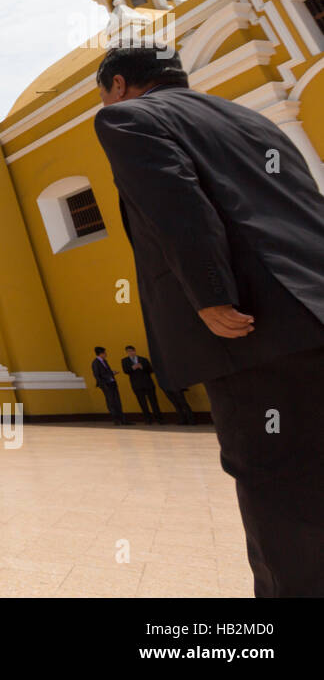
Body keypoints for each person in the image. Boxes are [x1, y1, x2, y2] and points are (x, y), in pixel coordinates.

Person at [94, 40, 324, 596]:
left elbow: (175, 200)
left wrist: (211, 295)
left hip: (255, 331)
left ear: (119, 85)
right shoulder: (254, 121)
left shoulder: (127, 118)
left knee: (277, 482)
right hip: (315, 307)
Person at [121, 345, 163, 423]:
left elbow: (151, 370)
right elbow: (125, 371)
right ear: (127, 353)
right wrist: (132, 368)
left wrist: (142, 367)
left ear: (135, 351)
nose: (130, 353)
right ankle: (148, 419)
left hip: (148, 383)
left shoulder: (143, 359)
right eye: (128, 352)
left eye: (131, 351)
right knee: (142, 403)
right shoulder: (125, 361)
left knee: (153, 402)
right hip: (136, 385)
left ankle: (159, 419)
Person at [90, 346, 129, 424]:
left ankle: (122, 419)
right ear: (101, 353)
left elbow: (106, 372)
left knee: (117, 401)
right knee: (111, 402)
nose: (106, 354)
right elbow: (97, 375)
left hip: (112, 383)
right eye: (104, 353)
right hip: (106, 385)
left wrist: (112, 373)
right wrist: (103, 385)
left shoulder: (104, 361)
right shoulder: (95, 363)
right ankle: (116, 420)